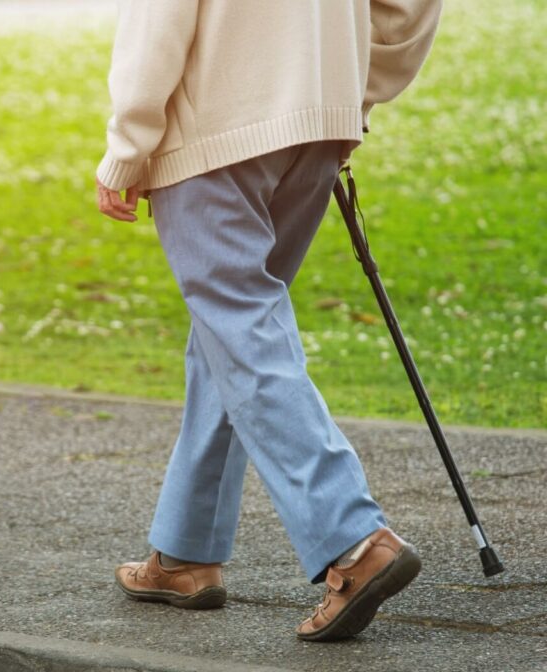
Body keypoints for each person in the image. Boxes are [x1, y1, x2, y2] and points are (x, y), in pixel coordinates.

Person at [95, 0, 442, 641]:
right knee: (228, 337)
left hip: (216, 130)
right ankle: (184, 553)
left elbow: (158, 16)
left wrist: (128, 145)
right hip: (317, 125)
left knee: (241, 330)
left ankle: (354, 539)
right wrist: (343, 89)